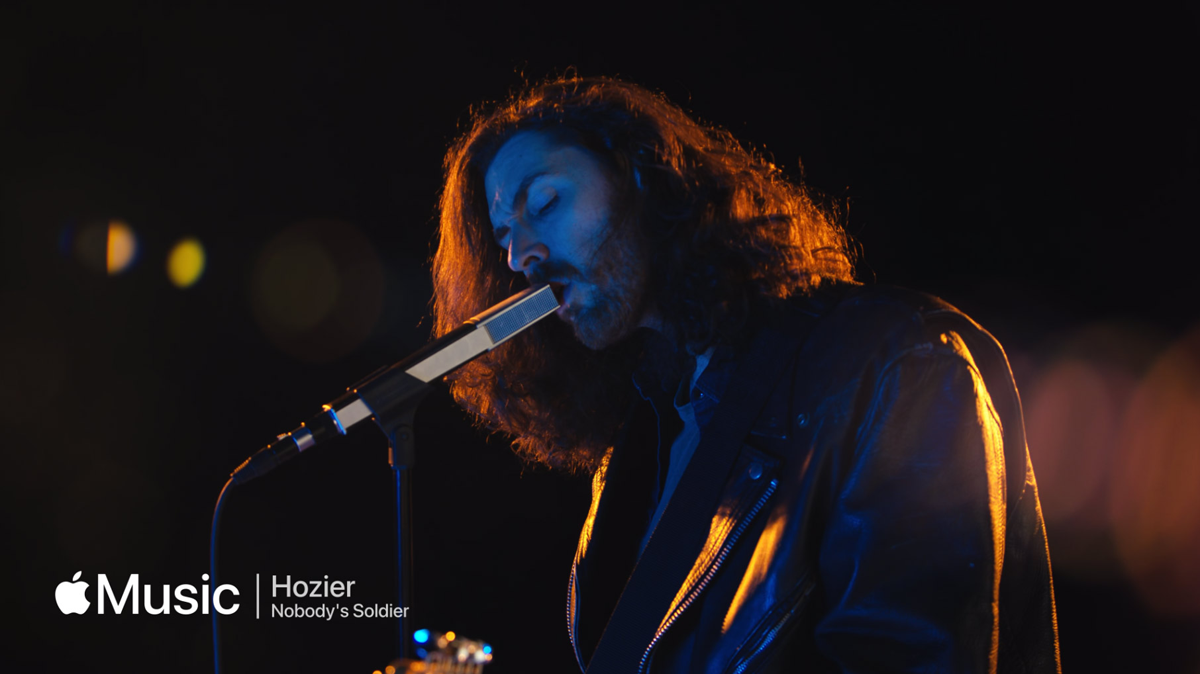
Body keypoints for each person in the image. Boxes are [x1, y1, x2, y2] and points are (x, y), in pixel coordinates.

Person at [430, 76, 1061, 673]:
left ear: (641, 175)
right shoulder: (644, 434)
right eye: (505, 237)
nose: (521, 256)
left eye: (545, 202)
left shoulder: (896, 359)